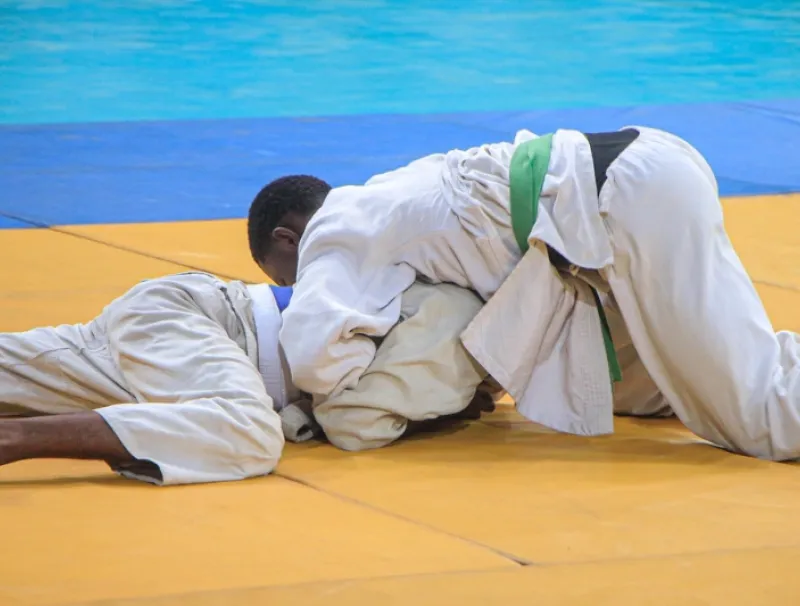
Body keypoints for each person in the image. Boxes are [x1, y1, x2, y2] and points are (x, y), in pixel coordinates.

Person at [249, 127, 800, 461]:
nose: (298, 287)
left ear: (287, 238)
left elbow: (314, 358)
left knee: (755, 419)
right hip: (630, 185)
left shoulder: (332, 232)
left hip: (622, 205)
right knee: (650, 389)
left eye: (286, 277)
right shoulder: (388, 197)